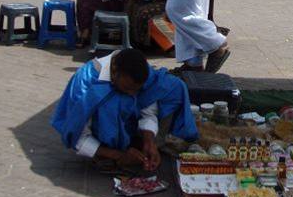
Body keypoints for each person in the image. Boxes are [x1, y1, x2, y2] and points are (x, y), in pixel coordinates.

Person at [51, 48, 198, 170]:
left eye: (137, 90)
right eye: (128, 88)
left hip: (129, 126)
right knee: (114, 103)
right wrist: (118, 155)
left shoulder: (140, 72)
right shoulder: (85, 82)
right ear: (114, 71)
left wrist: (149, 141)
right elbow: (78, 137)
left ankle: (148, 146)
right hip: (98, 136)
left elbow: (148, 109)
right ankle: (106, 153)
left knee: (173, 86)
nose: (133, 95)